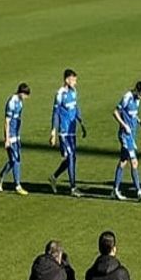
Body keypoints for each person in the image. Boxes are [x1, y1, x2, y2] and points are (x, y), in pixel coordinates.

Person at [49, 69, 86, 198]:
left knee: (72, 158)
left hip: (72, 131)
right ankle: (73, 187)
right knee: (70, 156)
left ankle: (54, 177)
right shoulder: (60, 94)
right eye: (73, 79)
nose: (75, 82)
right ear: (67, 80)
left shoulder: (74, 92)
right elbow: (55, 113)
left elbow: (76, 108)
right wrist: (53, 131)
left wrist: (81, 122)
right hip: (64, 132)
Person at [112, 82, 141, 203]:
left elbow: (132, 114)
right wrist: (124, 125)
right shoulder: (127, 97)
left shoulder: (137, 100)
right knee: (134, 162)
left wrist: (139, 121)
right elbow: (115, 112)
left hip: (132, 135)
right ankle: (139, 191)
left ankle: (115, 190)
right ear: (137, 91)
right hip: (125, 135)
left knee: (123, 162)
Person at [0, 83, 30, 195]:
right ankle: (17, 185)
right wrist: (7, 138)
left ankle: (0, 177)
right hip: (10, 136)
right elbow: (7, 122)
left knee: (13, 160)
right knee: (16, 160)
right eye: (26, 95)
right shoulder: (12, 102)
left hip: (16, 135)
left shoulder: (20, 102)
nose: (26, 98)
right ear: (21, 93)